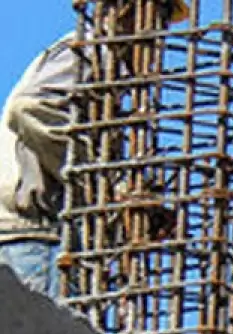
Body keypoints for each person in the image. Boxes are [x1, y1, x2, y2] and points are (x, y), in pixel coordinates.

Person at [0, 0, 187, 297]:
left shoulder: (101, 69)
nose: (159, 33)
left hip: (35, 237)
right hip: (34, 237)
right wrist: (103, 184)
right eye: (158, 14)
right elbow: (29, 109)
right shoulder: (90, 51)